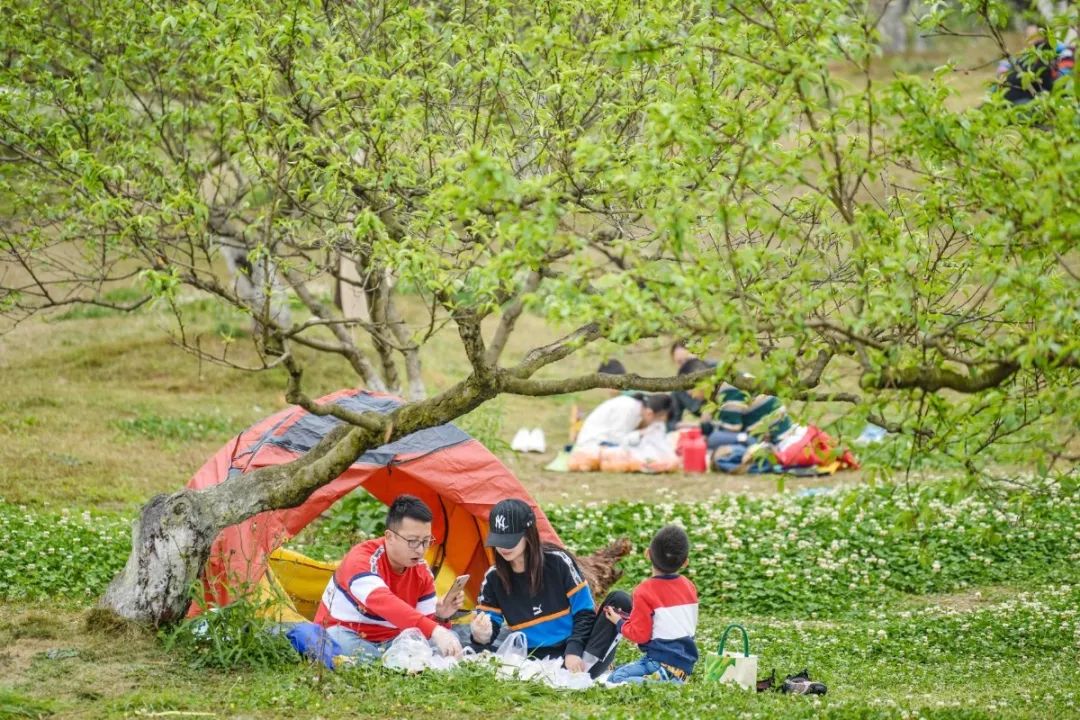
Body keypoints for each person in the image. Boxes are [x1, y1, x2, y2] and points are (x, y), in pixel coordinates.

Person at [470, 499, 630, 678]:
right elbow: (488, 631)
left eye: (510, 540)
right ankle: (574, 675)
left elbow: (584, 612)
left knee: (620, 601)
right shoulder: (493, 578)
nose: (503, 547)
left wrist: (574, 651)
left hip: (577, 649)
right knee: (482, 652)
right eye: (499, 540)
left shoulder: (558, 561)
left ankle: (586, 668)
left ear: (528, 534)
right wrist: (481, 635)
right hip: (534, 659)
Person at [314, 494, 465, 660]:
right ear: (389, 537)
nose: (420, 550)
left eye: (426, 541)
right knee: (340, 644)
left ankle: (391, 662)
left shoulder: (422, 571)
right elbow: (383, 601)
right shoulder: (361, 560)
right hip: (347, 633)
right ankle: (392, 663)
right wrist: (435, 630)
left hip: (392, 640)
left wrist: (442, 617)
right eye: (413, 541)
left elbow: (427, 628)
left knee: (449, 641)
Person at [604, 525, 699, 684]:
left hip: (659, 661)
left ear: (647, 554)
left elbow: (641, 635)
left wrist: (619, 622)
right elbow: (668, 622)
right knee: (618, 671)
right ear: (685, 562)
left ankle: (664, 683)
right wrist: (629, 618)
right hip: (685, 665)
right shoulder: (689, 586)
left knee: (616, 678)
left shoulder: (644, 591)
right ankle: (671, 678)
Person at [573, 392, 673, 451]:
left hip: (605, 442)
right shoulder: (627, 408)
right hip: (593, 444)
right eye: (656, 420)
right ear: (649, 413)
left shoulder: (636, 409)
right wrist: (641, 433)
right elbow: (618, 440)